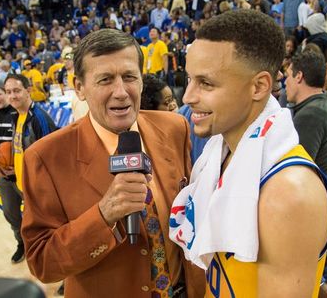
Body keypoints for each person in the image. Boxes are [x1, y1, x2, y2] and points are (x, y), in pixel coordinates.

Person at [20, 29, 205, 297]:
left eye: (129, 77)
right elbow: (43, 263)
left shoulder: (175, 127)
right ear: (79, 87)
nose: (121, 92)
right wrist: (103, 215)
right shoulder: (45, 157)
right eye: (105, 79)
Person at [169, 10, 327, 297]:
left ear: (259, 87)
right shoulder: (221, 155)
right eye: (189, 79)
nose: (188, 96)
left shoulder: (289, 193)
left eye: (206, 83)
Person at [285, 50, 327, 297]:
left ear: (299, 76)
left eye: (287, 75)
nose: (284, 81)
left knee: (314, 269)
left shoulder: (311, 114)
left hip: (316, 200)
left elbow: (295, 170)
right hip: (326, 193)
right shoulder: (326, 102)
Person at [0, 81, 25, 264]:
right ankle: (21, 243)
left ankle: (38, 244)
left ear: (6, 94)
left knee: (38, 213)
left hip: (22, 173)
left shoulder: (16, 114)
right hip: (5, 175)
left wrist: (16, 165)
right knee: (10, 213)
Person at [4, 74, 57, 193]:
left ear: (28, 91)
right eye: (8, 92)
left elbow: (51, 159)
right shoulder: (16, 116)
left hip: (38, 189)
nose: (12, 96)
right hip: (22, 184)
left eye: (17, 91)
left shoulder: (39, 118)